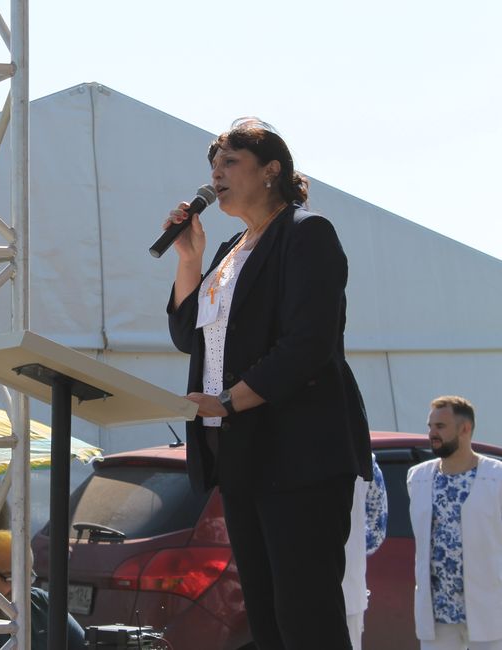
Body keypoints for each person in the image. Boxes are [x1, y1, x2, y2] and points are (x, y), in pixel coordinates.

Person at [164, 116, 372, 649]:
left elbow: (307, 345)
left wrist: (228, 401)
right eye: (214, 165)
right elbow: (189, 336)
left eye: (231, 162)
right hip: (242, 455)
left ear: (271, 170)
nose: (216, 174)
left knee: (305, 615)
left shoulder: (306, 233)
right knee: (266, 618)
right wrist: (189, 258)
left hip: (300, 452)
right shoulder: (231, 249)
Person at [407, 395, 502, 650]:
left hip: (489, 609)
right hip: (436, 613)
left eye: (440, 426)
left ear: (465, 429)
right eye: (430, 426)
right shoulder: (418, 478)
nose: (432, 433)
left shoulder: (496, 477)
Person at [343, 453, 388, 650]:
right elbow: (377, 528)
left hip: (299, 590)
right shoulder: (363, 458)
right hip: (349, 588)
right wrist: (351, 552)